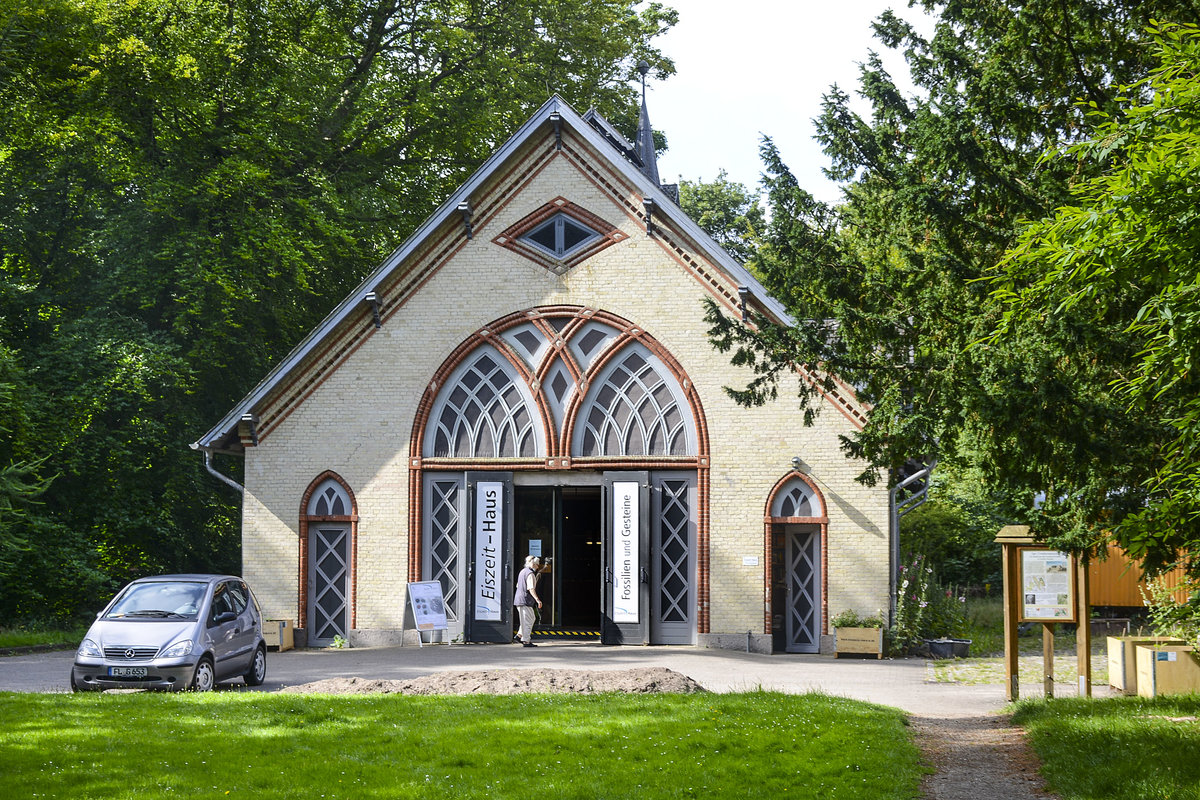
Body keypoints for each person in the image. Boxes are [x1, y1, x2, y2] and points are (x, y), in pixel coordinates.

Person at [514, 555, 543, 647]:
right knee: (528, 620)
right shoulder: (530, 574)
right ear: (533, 564)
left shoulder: (522, 572)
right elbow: (531, 588)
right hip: (525, 600)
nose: (538, 566)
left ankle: (519, 635)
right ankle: (526, 640)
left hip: (520, 599)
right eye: (537, 564)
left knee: (528, 619)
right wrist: (537, 600)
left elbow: (518, 585)